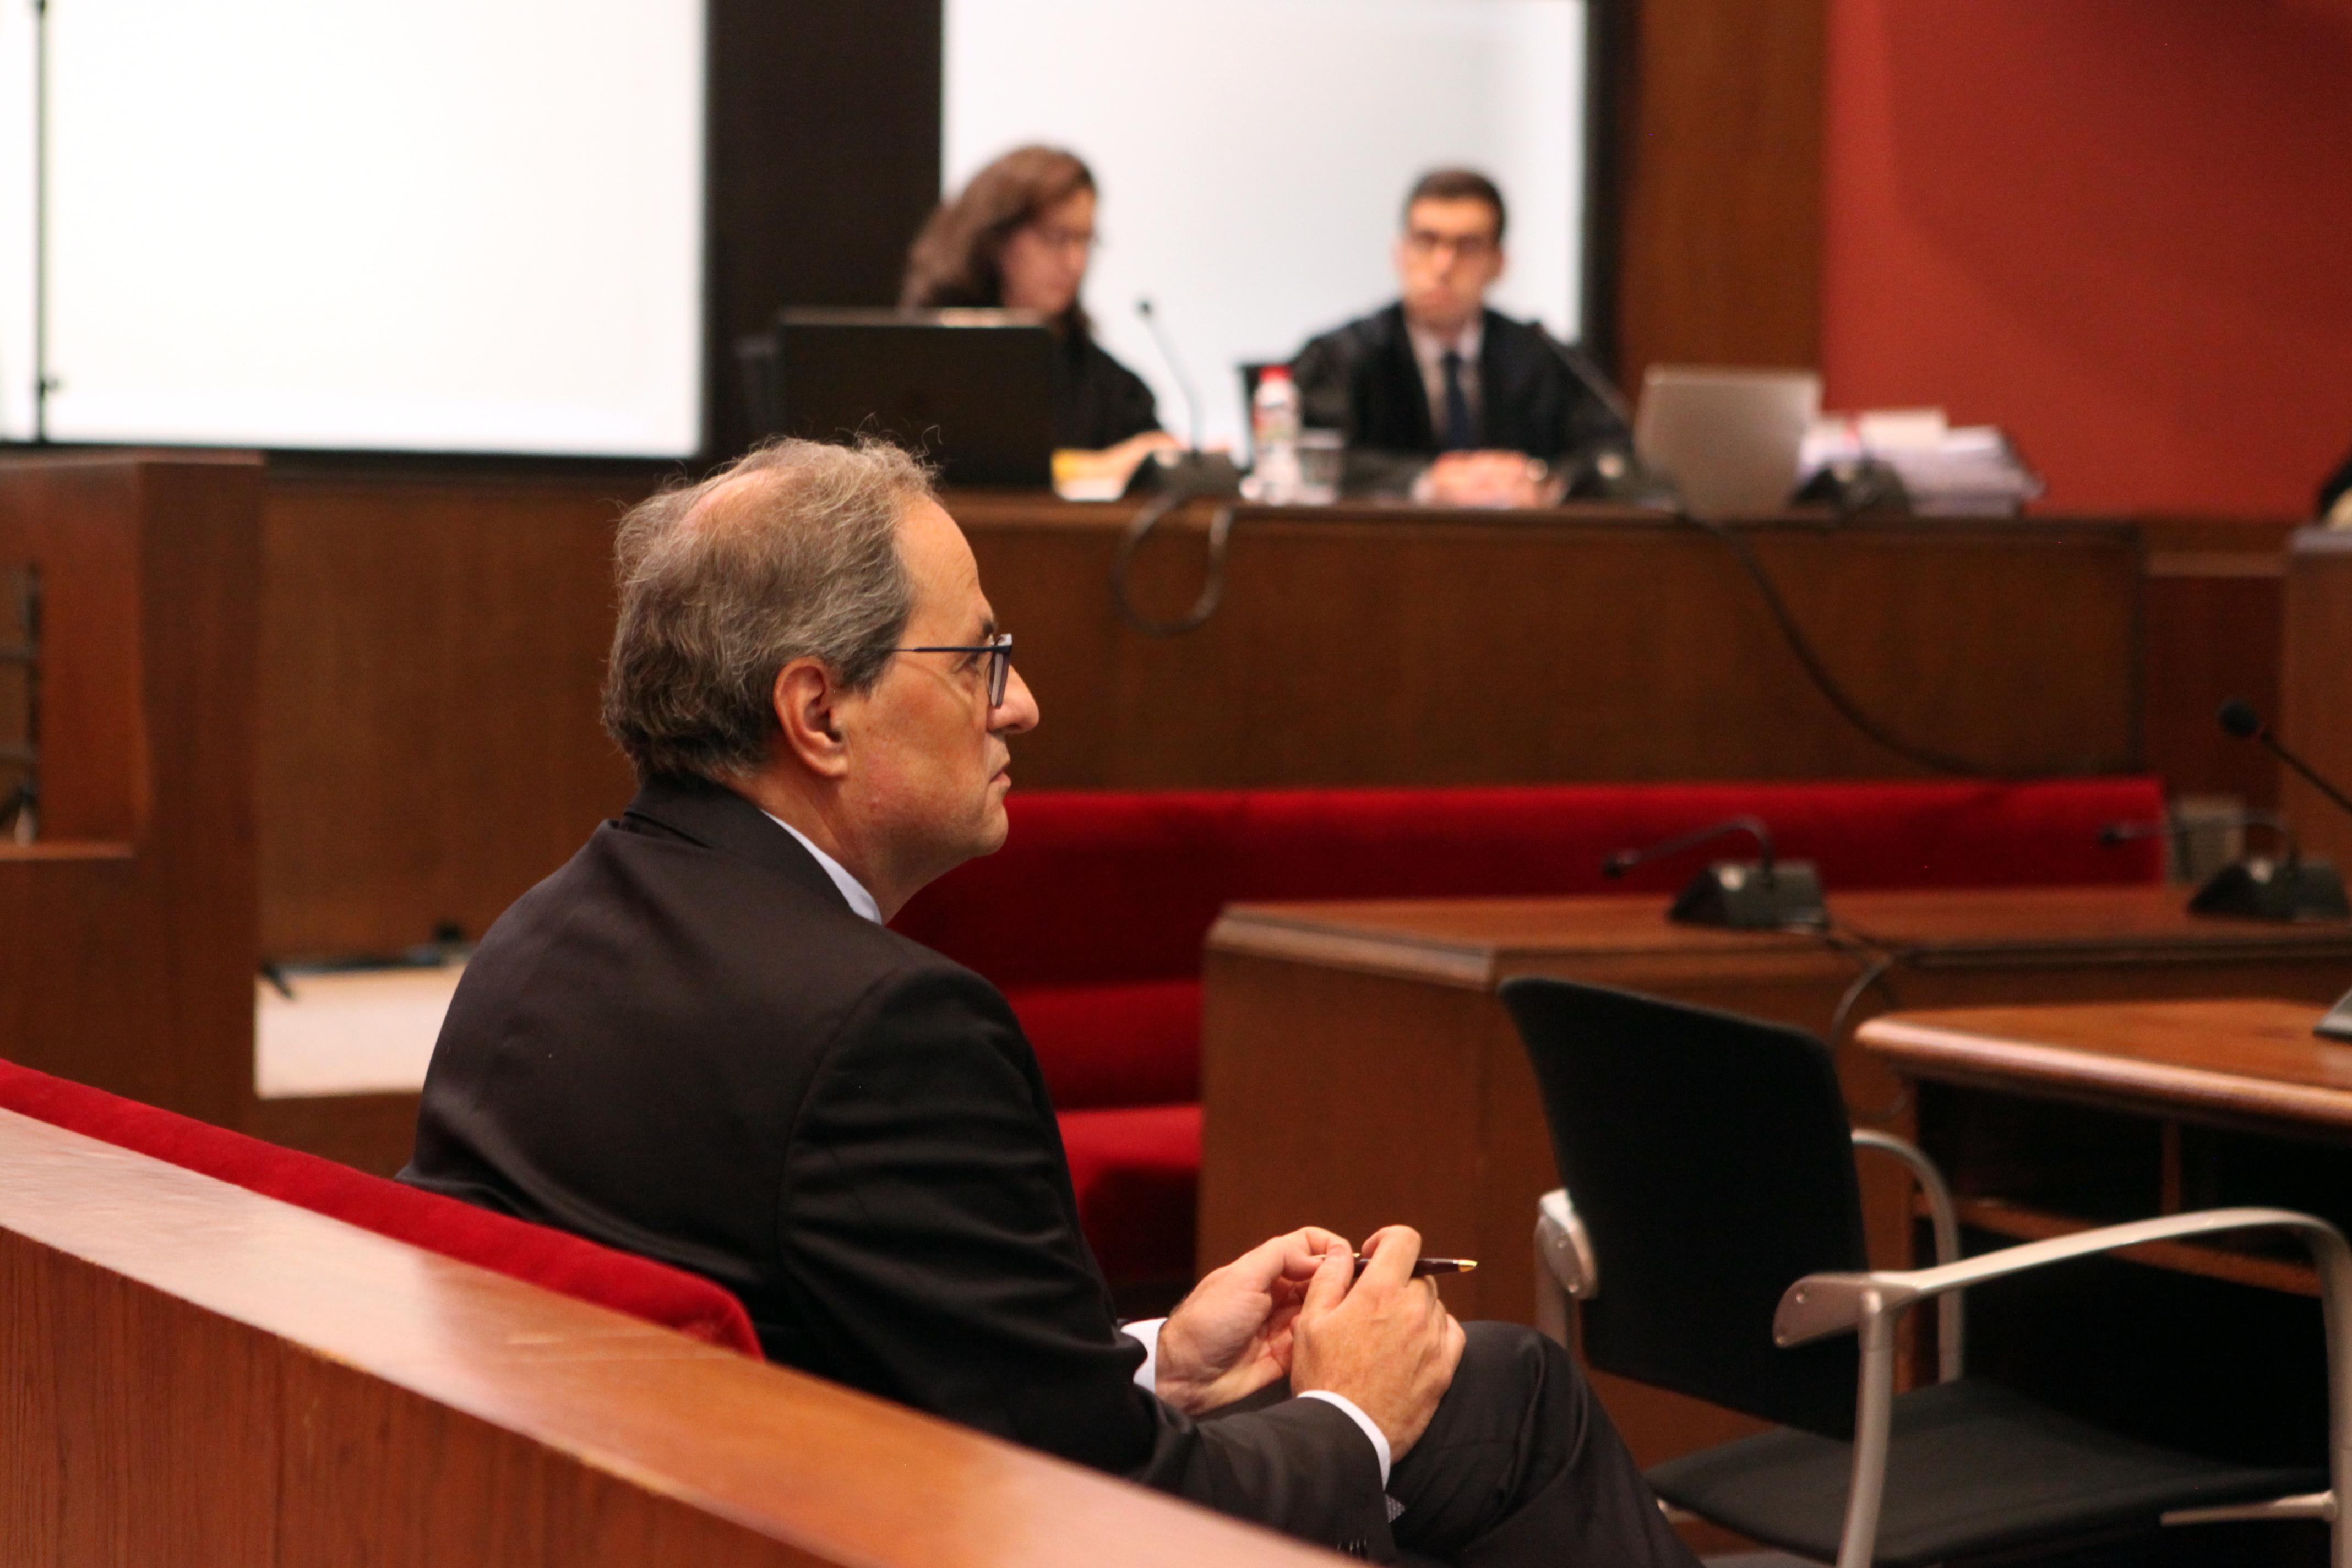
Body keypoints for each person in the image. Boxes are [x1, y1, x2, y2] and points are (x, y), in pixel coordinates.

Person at [401, 438, 1698, 1567]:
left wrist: (1155, 1361)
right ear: (819, 711)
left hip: (689, 1508)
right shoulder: (888, 1029)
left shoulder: (536, 940)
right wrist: (1351, 1412)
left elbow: (884, 1351)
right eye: (979, 658)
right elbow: (1109, 1518)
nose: (1022, 703)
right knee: (1506, 1390)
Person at [1291, 169, 1630, 506]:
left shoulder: (1540, 355)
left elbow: (1612, 453)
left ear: (1498, 264)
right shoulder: (1341, 356)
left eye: (1467, 247)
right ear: (1400, 253)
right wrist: (1425, 480)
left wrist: (1544, 480)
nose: (1443, 265)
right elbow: (1305, 459)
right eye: (1426, 241)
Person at [902, 145, 1178, 486]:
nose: (1075, 263)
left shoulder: (1107, 384)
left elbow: (1161, 467)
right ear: (996, 240)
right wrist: (1096, 468)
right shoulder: (927, 361)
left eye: (1085, 241)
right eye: (1057, 238)